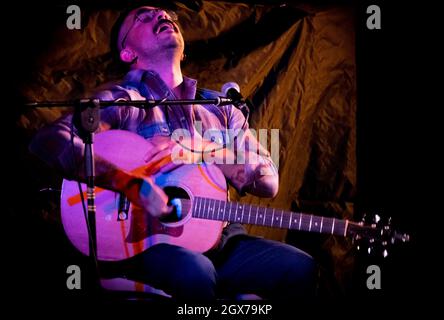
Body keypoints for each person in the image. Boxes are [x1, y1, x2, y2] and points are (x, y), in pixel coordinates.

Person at [29, 5, 316, 301]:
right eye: (144, 16)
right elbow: (52, 140)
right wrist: (130, 184)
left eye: (167, 14)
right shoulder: (125, 100)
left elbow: (269, 182)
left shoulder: (221, 108)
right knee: (194, 271)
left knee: (297, 267)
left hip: (223, 241)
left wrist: (203, 149)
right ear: (127, 53)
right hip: (148, 246)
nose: (162, 16)